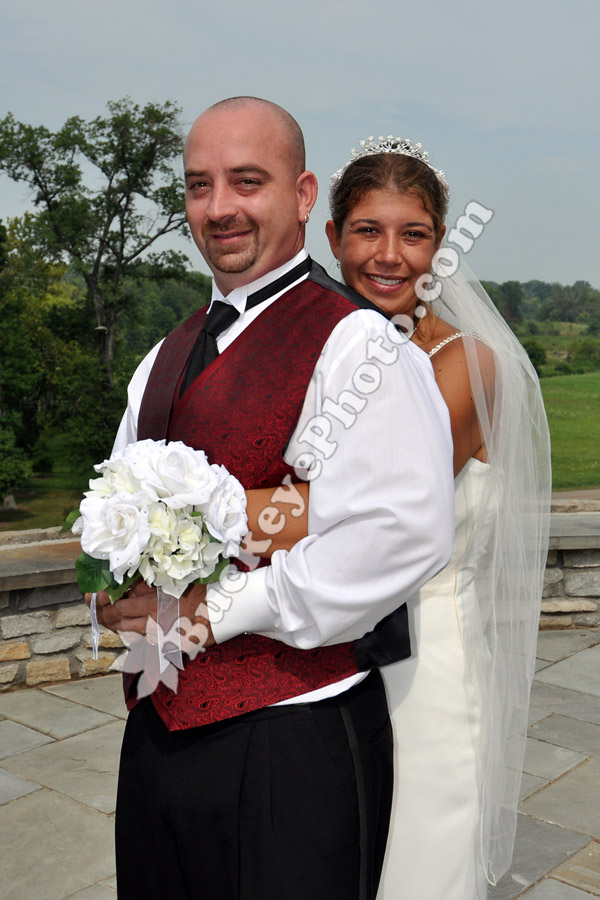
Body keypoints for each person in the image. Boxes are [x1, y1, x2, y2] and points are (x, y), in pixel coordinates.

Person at [89, 99, 455, 900]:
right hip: (156, 732)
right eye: (199, 185)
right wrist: (111, 597)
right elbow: (115, 505)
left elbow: (403, 529)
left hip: (293, 743)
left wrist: (220, 608)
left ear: (302, 195)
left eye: (247, 181)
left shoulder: (359, 343)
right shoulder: (160, 356)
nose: (219, 206)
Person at [263, 136, 550, 899]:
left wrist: (203, 511)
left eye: (413, 233)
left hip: (424, 670)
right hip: (326, 657)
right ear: (333, 238)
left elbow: (353, 512)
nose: (389, 255)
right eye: (368, 230)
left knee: (414, 867)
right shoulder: (316, 353)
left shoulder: (466, 366)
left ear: (441, 245)